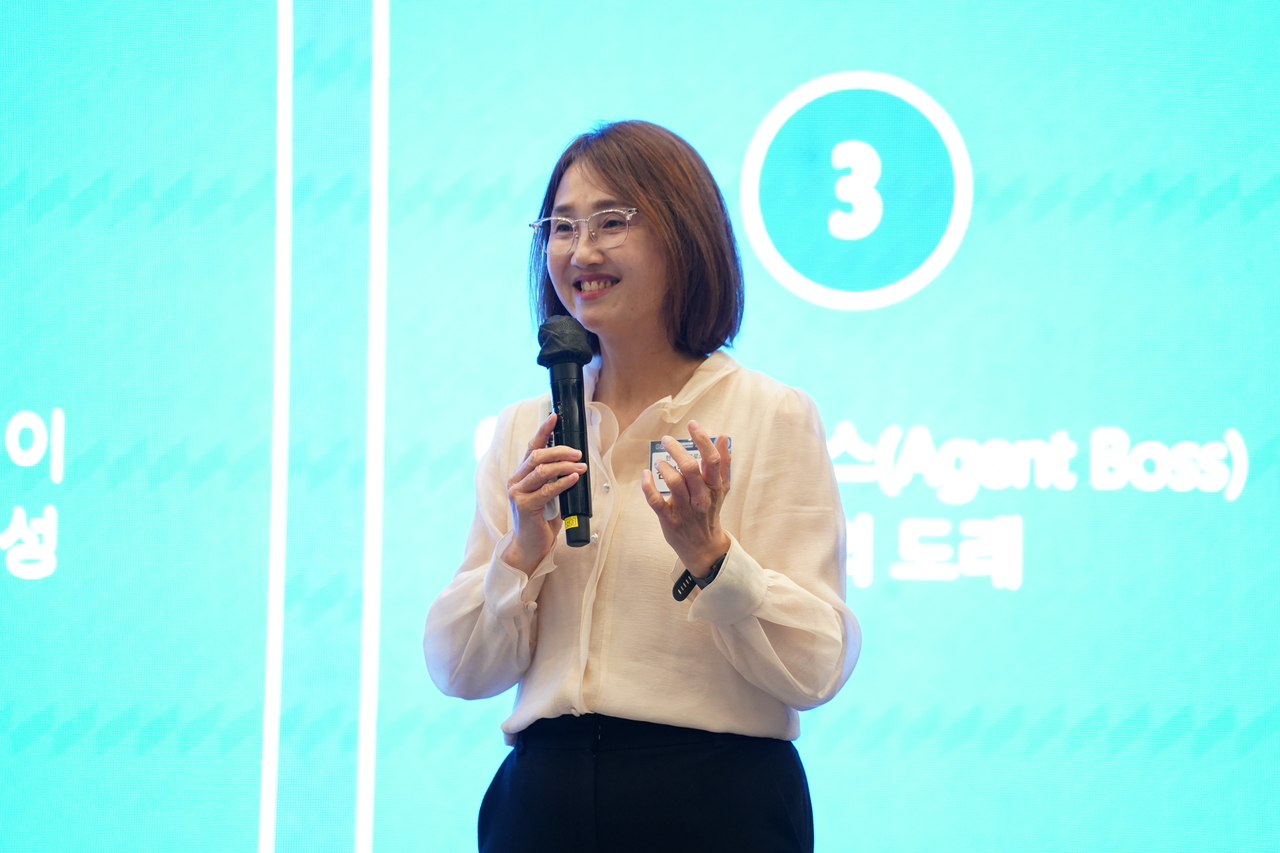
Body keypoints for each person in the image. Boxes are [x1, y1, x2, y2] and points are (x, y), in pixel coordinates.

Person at [425, 120, 860, 853]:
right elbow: (460, 668)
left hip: (712, 803)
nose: (580, 251)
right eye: (562, 226)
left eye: (610, 222)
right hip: (542, 801)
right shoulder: (524, 428)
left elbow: (815, 667)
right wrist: (522, 549)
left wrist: (711, 554)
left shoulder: (769, 414)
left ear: (682, 234)